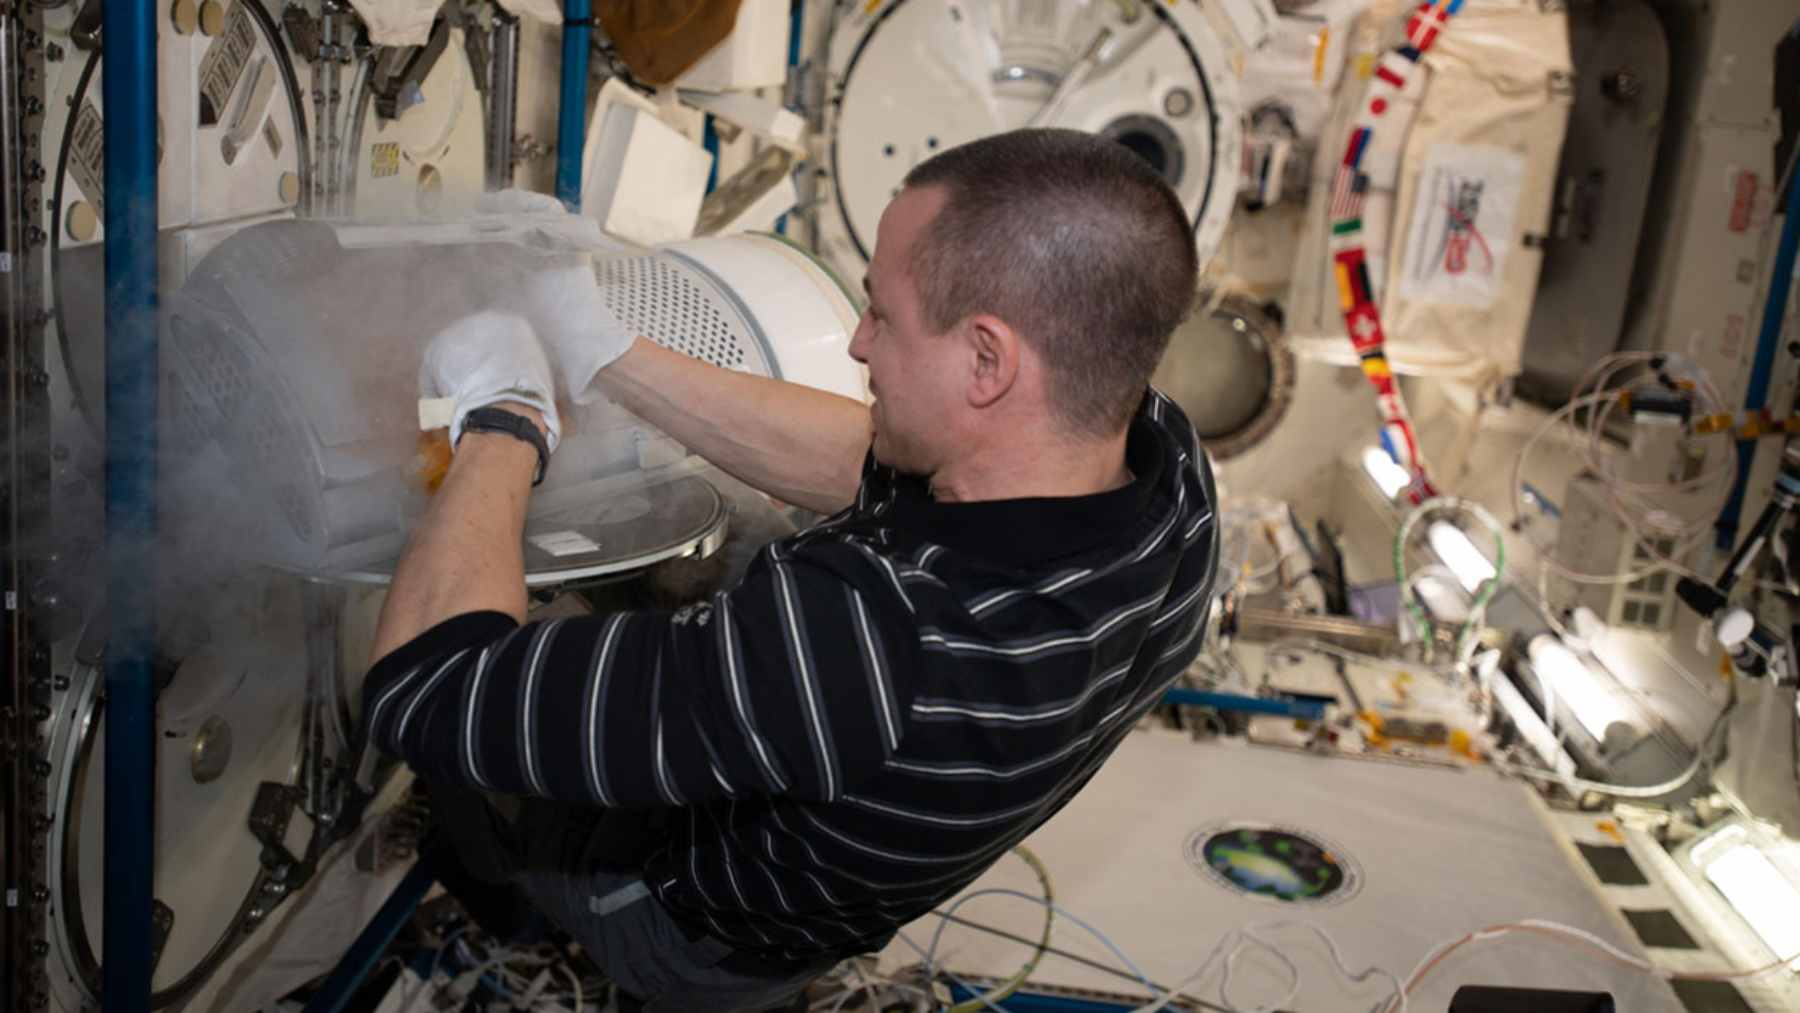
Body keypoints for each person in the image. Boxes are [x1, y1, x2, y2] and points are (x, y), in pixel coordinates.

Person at [363, 127, 1219, 1012]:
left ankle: (492, 886)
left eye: (882, 314)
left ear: (988, 360)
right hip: (838, 838)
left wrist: (506, 418)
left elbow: (421, 684)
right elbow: (887, 466)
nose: (858, 344)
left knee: (478, 759)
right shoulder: (1172, 483)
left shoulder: (871, 652)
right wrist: (603, 351)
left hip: (681, 925)